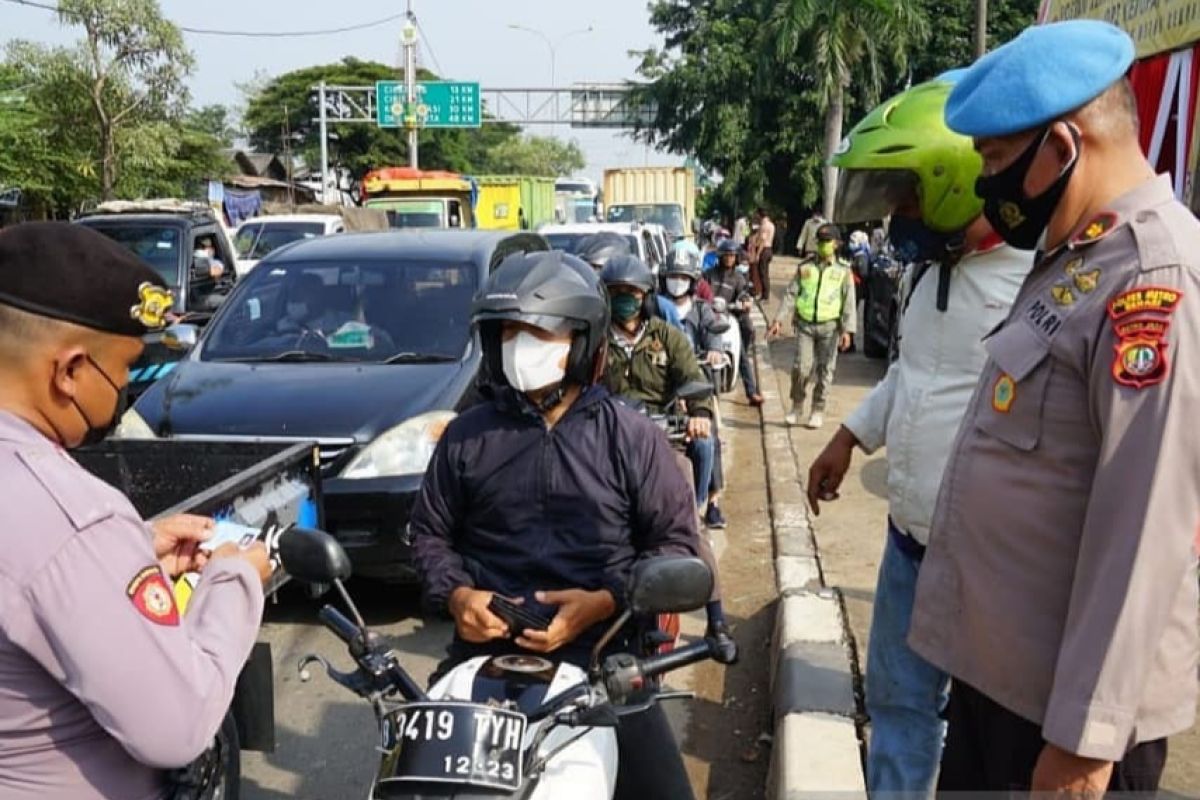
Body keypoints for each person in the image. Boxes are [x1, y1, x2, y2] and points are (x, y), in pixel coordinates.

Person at [908, 21, 1200, 794]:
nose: (987, 186)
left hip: (1065, 724)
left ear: (1065, 148)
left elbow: (1145, 532)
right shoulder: (1075, 259)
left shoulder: (1152, 283)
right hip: (1002, 691)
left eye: (999, 162)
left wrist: (1086, 741)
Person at [804, 75, 1033, 796]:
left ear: (956, 182)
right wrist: (849, 434)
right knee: (899, 708)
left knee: (981, 732)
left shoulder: (1036, 277)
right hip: (910, 543)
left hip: (991, 563)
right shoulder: (924, 271)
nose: (897, 213)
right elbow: (913, 374)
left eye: (906, 195)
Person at [409, 250, 700, 799]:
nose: (521, 346)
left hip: (604, 657)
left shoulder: (631, 437)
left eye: (539, 333)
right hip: (484, 659)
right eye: (509, 332)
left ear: (582, 340)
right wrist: (458, 597)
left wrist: (607, 600)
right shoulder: (467, 436)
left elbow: (676, 544)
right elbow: (429, 534)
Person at [0, 222, 271, 800]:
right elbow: (176, 725)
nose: (124, 386)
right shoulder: (71, 514)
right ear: (69, 371)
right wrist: (236, 577)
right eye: (122, 368)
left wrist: (126, 554)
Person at [660, 247, 729, 528]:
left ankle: (709, 501)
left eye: (682, 276)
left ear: (692, 279)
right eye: (672, 275)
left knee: (707, 439)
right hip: (663, 385)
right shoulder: (656, 307)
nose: (677, 281)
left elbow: (714, 333)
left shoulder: (702, 309)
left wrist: (714, 351)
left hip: (696, 384)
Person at [768, 224, 856, 429]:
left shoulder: (843, 271)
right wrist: (779, 319)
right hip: (806, 325)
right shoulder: (805, 267)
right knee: (801, 368)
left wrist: (847, 331)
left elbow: (848, 302)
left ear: (836, 244)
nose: (823, 246)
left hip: (830, 327)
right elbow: (791, 294)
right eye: (820, 242)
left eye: (827, 242)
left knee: (825, 371)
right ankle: (797, 405)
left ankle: (818, 409)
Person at [573, 232, 682, 327]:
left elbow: (681, 346)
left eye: (598, 269)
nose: (593, 276)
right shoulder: (581, 306)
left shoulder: (659, 307)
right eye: (587, 269)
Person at [703, 239, 764, 407]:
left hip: (729, 316)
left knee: (743, 351)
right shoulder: (709, 274)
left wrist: (745, 302)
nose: (729, 258)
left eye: (732, 256)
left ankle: (751, 392)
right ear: (720, 256)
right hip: (707, 316)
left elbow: (743, 294)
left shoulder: (738, 278)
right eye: (726, 255)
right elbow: (700, 291)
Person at [752, 208, 776, 300]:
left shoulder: (764, 225)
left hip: (764, 250)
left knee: (763, 274)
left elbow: (762, 240)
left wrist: (758, 254)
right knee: (765, 273)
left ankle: (765, 296)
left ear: (760, 215)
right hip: (769, 249)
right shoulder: (771, 225)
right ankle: (765, 294)